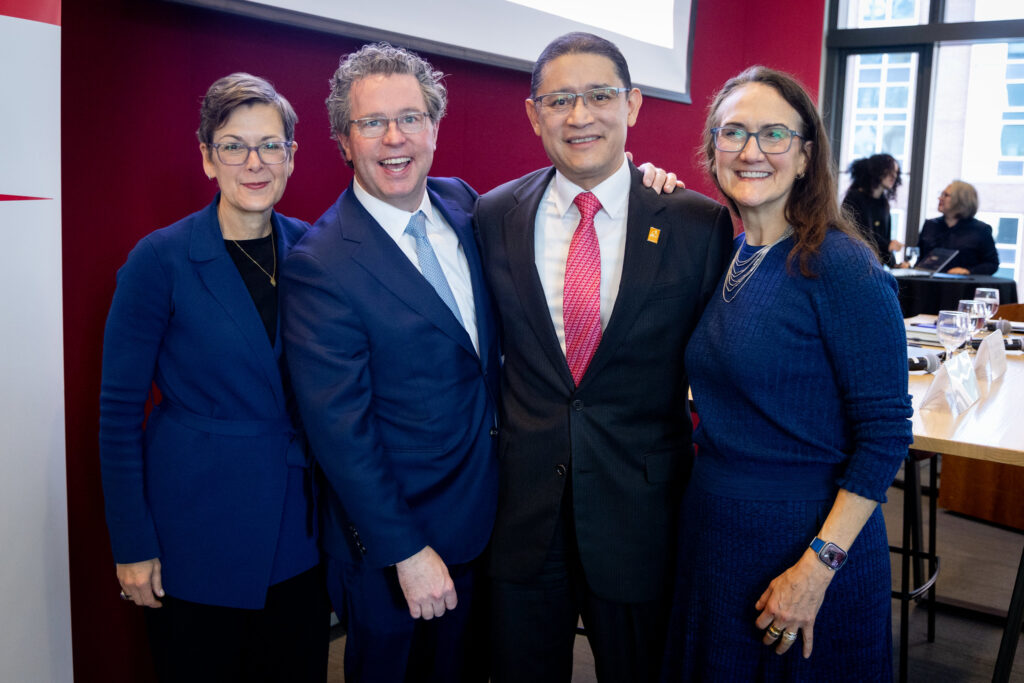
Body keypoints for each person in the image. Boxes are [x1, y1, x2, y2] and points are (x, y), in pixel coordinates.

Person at [475, 32, 733, 683]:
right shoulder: (493, 213)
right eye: (559, 100)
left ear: (634, 105)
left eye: (598, 96)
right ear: (535, 114)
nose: (579, 116)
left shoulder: (696, 224)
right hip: (523, 514)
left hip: (640, 515)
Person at [661, 66, 914, 681]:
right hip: (716, 532)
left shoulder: (840, 263)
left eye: (774, 134)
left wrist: (817, 567)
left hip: (807, 543)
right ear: (712, 150)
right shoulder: (724, 252)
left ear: (805, 157)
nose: (751, 151)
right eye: (733, 133)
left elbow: (885, 433)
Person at [279, 43, 501, 683]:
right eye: (371, 123)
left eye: (410, 117)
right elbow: (340, 433)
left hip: (487, 522)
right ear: (344, 142)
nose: (394, 138)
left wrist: (642, 179)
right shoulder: (321, 264)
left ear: (435, 126)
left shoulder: (466, 207)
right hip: (396, 548)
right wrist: (405, 550)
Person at [99, 73, 328, 683]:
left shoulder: (313, 251)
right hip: (194, 530)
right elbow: (118, 415)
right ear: (207, 158)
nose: (253, 163)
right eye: (233, 145)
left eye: (270, 145)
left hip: (297, 534)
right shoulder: (160, 259)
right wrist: (132, 544)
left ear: (291, 157)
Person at [917, 180, 999, 274]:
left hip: (962, 287)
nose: (940, 198)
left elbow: (992, 264)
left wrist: (968, 271)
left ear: (961, 200)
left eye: (945, 195)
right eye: (941, 194)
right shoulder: (930, 225)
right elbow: (919, 257)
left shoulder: (981, 230)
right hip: (927, 285)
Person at [842, 153, 903, 266]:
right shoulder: (854, 198)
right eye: (890, 171)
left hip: (875, 268)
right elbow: (854, 236)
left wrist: (895, 266)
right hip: (855, 265)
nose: (894, 176)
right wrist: (887, 245)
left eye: (896, 173)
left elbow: (885, 240)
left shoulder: (883, 203)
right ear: (878, 171)